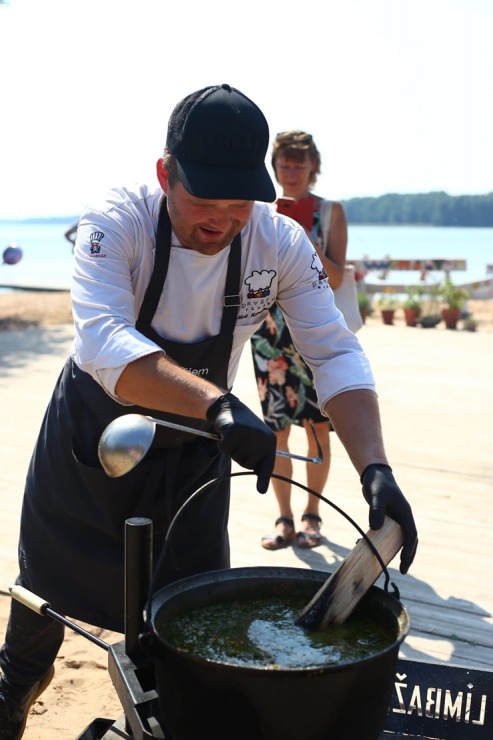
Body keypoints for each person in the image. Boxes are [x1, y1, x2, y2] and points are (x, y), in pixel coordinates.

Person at [0, 83, 418, 739]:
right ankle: (16, 686)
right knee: (48, 582)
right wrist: (219, 406)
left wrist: (375, 469)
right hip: (96, 430)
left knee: (183, 618)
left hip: (196, 452)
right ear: (165, 173)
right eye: (204, 198)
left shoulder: (277, 242)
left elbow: (334, 352)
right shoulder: (117, 222)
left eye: (240, 202)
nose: (222, 218)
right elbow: (105, 342)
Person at [251, 130, 348, 550]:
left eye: (299, 164)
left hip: (313, 330)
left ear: (313, 167)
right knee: (275, 431)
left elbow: (339, 277)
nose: (291, 172)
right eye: (284, 165)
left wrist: (304, 241)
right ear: (275, 168)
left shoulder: (329, 213)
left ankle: (312, 516)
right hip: (269, 335)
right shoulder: (258, 211)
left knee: (317, 427)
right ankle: (283, 518)